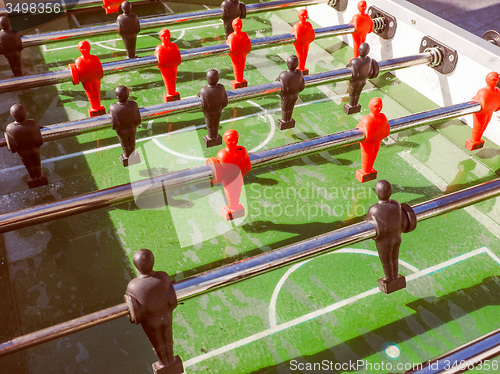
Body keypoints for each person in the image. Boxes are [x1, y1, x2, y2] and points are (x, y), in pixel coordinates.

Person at [125, 249, 183, 374]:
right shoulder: (163, 277)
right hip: (166, 317)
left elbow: (134, 309)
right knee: (168, 342)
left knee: (158, 346)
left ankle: (163, 366)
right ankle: (171, 363)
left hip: (150, 321)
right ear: (152, 261)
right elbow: (172, 300)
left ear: (136, 265)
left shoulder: (133, 286)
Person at [366, 180, 416, 294]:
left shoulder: (374, 209)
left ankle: (389, 279)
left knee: (386, 261)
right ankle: (396, 277)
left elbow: (368, 221)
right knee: (394, 258)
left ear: (377, 192)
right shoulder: (396, 205)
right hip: (397, 237)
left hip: (383, 241)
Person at [207, 129, 251, 220]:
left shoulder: (239, 151)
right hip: (231, 178)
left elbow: (247, 165)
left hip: (236, 177)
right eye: (230, 140)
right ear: (225, 140)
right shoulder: (222, 154)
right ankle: (233, 207)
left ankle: (234, 208)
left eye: (235, 139)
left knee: (235, 194)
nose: (233, 142)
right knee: (231, 195)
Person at [5, 104, 48, 188]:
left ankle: (32, 178)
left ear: (12, 115)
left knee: (29, 166)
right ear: (25, 112)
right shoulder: (33, 123)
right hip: (34, 150)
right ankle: (39, 177)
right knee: (37, 164)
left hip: (22, 153)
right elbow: (39, 141)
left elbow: (12, 144)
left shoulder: (10, 128)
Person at [355, 97, 389, 182]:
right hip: (369, 141)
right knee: (367, 156)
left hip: (377, 140)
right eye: (376, 106)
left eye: (381, 106)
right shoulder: (367, 119)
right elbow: (360, 127)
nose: (379, 108)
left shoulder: (383, 117)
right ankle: (366, 171)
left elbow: (386, 128)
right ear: (371, 107)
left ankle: (369, 170)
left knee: (374, 154)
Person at [69, 40, 106, 117]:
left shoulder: (95, 58)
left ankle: (97, 107)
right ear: (79, 49)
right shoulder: (78, 60)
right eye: (82, 48)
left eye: (86, 47)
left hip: (95, 79)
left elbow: (99, 69)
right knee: (90, 94)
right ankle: (94, 108)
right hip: (86, 80)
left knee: (96, 92)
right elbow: (77, 71)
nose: (84, 50)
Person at [465, 71, 500, 150]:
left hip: (489, 111)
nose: (495, 80)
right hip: (481, 113)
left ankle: (477, 140)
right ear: (487, 80)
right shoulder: (483, 92)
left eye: (496, 79)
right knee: (478, 128)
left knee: (484, 126)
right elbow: (475, 99)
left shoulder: (497, 91)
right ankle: (474, 141)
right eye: (493, 79)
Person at [109, 85, 142, 166]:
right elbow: (138, 120)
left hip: (122, 131)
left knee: (125, 145)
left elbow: (114, 124)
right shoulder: (134, 104)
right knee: (132, 143)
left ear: (117, 96)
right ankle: (133, 156)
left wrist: (117, 129)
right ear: (128, 95)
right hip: (132, 128)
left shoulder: (113, 107)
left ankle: (127, 157)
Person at [344, 42, 379, 114]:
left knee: (352, 94)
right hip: (363, 81)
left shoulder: (355, 61)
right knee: (358, 93)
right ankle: (355, 106)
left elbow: (348, 67)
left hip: (355, 82)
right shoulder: (369, 60)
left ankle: (351, 106)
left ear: (359, 50)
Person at [198, 69, 228, 147]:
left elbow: (200, 99)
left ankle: (211, 137)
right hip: (218, 110)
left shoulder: (203, 90)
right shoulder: (221, 87)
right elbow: (225, 101)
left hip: (209, 112)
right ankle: (215, 137)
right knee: (216, 124)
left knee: (210, 126)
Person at [276, 55, 305, 130]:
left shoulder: (283, 75)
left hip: (286, 97)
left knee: (285, 109)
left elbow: (279, 84)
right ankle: (289, 120)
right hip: (295, 95)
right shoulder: (299, 73)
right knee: (291, 108)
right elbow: (302, 85)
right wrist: (296, 91)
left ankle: (285, 120)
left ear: (287, 64)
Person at [155, 29, 181, 102]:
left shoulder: (174, 46)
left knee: (173, 80)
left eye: (167, 36)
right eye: (163, 36)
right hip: (165, 68)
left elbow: (178, 58)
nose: (165, 38)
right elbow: (158, 61)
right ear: (160, 37)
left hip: (173, 67)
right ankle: (170, 93)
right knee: (168, 81)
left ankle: (172, 93)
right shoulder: (159, 48)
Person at [226, 18, 251, 89]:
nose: (238, 27)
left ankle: (239, 80)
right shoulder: (231, 37)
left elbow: (248, 45)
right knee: (237, 67)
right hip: (236, 56)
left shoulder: (244, 35)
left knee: (241, 66)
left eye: (240, 25)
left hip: (242, 54)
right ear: (233, 26)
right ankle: (238, 80)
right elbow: (231, 48)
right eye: (236, 25)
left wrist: (243, 52)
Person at [291, 9, 315, 75]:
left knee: (304, 56)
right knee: (300, 55)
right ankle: (300, 68)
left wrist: (308, 40)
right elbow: (295, 36)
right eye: (302, 15)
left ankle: (302, 68)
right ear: (299, 16)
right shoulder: (297, 26)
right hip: (300, 44)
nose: (304, 17)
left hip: (306, 43)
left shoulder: (308, 25)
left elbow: (312, 34)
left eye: (305, 15)